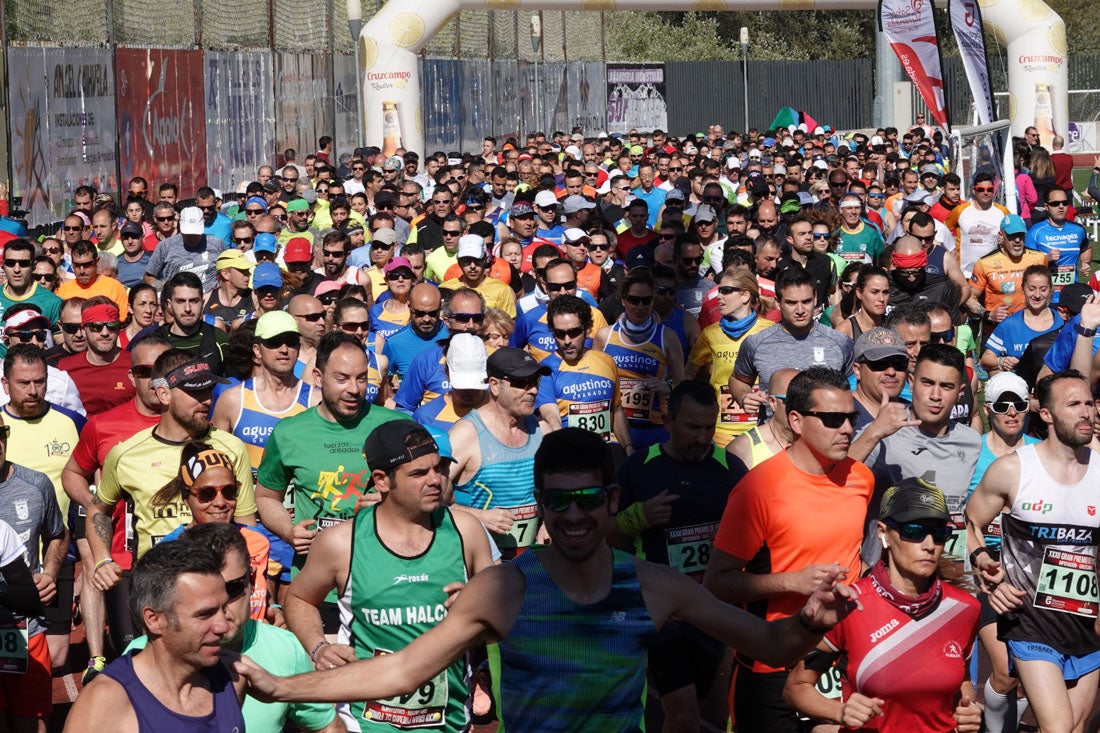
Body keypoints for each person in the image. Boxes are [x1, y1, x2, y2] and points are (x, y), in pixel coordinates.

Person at [232, 428, 862, 732]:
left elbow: (771, 647)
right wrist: (283, 687)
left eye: (588, 499)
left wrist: (810, 623)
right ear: (539, 503)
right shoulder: (504, 588)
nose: (574, 516)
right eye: (556, 502)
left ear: (613, 499)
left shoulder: (652, 585)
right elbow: (399, 672)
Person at [285, 420, 494, 730]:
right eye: (419, 473)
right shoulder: (342, 543)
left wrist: (477, 604)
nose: (435, 480)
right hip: (367, 722)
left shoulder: (466, 531)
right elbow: (299, 597)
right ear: (381, 480)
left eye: (438, 469)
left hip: (447, 721)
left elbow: (501, 611)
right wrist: (319, 647)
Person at [703, 367, 874, 733]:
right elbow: (717, 583)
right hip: (772, 664)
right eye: (832, 419)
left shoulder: (861, 478)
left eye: (851, 417)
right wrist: (791, 581)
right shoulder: (758, 489)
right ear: (796, 420)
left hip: (839, 658)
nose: (846, 428)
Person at [783, 478, 982, 733]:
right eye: (913, 531)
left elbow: (961, 678)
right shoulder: (849, 605)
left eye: (940, 533)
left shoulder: (964, 608)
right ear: (882, 532)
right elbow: (795, 688)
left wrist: (968, 710)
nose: (930, 545)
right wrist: (839, 711)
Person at [965, 370, 1100, 733]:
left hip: (1088, 623)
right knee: (1057, 726)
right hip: (1030, 623)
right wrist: (984, 567)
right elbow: (970, 522)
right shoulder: (1013, 469)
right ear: (1047, 414)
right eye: (1073, 405)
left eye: (1089, 403)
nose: (1085, 412)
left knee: (1075, 728)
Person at [613, 380, 749, 731]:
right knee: (684, 713)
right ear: (669, 422)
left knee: (716, 716)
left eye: (709, 427)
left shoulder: (731, 469)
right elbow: (604, 534)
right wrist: (639, 516)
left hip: (714, 610)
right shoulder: (639, 468)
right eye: (692, 427)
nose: (702, 438)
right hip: (664, 612)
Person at [125, 522, 342, 732]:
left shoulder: (285, 649)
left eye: (233, 588)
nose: (221, 607)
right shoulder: (141, 657)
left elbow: (326, 726)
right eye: (205, 596)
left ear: (252, 581)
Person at [254, 332, 403, 635]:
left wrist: (393, 502)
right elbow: (267, 497)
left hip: (383, 581)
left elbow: (435, 490)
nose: (354, 389)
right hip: (316, 587)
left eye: (362, 378)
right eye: (342, 378)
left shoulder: (394, 426)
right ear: (319, 377)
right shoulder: (289, 433)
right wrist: (288, 530)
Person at [85, 351, 257, 589]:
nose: (206, 400)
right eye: (195, 391)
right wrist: (102, 560)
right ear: (164, 394)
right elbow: (98, 509)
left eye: (208, 390)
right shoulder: (126, 454)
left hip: (218, 584)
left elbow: (247, 525)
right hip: (154, 586)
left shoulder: (232, 447)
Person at [61, 334, 172, 681]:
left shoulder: (192, 424)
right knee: (133, 652)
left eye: (163, 371)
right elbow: (72, 473)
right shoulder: (104, 425)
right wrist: (96, 505)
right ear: (131, 375)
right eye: (144, 371)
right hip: (125, 560)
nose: (154, 380)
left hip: (180, 558)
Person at [66, 541, 248, 732]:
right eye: (205, 614)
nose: (223, 626)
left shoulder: (232, 678)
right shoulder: (106, 703)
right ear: (154, 620)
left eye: (223, 608)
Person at [965, 371, 1037, 733]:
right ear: (987, 408)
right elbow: (962, 517)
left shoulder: (1042, 451)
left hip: (1032, 574)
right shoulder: (970, 449)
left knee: (1026, 677)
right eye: (1002, 405)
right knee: (1006, 672)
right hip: (986, 571)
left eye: (1019, 404)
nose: (1011, 412)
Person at [449, 347, 547, 558]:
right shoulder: (467, 434)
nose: (533, 391)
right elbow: (427, 499)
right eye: (522, 383)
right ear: (495, 385)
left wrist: (549, 522)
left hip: (533, 562)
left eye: (535, 382)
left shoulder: (540, 430)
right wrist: (478, 517)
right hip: (482, 566)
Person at [0, 411, 64, 732]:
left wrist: (50, 572)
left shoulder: (36, 485)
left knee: (32, 721)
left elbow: (58, 534)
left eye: (0, 435)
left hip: (24, 628)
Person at [730, 267, 854, 421]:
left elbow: (854, 388)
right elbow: (739, 380)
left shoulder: (840, 343)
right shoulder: (756, 343)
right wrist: (744, 397)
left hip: (824, 439)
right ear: (777, 302)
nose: (800, 310)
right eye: (791, 303)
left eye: (806, 301)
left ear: (815, 298)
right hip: (773, 440)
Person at [211, 311, 317, 478]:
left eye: (291, 342)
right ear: (257, 350)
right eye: (274, 342)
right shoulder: (232, 400)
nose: (284, 350)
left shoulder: (315, 401)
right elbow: (214, 462)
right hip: (246, 502)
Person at [686, 269, 773, 447]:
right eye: (718, 290)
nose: (719, 296)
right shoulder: (711, 333)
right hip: (720, 429)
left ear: (745, 296)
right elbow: (688, 376)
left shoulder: (771, 331)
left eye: (725, 291)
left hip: (760, 427)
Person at [536, 295, 632, 450]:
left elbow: (617, 409)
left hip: (607, 450)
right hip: (571, 453)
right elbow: (551, 418)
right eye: (559, 333)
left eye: (574, 332)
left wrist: (628, 448)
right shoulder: (545, 370)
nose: (567, 340)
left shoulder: (606, 361)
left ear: (587, 329)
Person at [966, 215, 1047, 332]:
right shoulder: (984, 263)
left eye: (1020, 235)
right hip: (996, 329)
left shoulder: (1039, 258)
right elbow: (969, 297)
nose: (1017, 240)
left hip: (1031, 327)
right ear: (1001, 236)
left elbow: (1048, 290)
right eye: (1012, 236)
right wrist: (988, 315)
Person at [57, 299, 135, 416]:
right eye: (96, 327)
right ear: (83, 329)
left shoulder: (135, 363)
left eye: (112, 326)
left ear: (119, 329)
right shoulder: (65, 368)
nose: (105, 333)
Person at [981, 264, 1062, 376]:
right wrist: (1002, 361)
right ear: (1023, 288)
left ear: (1050, 290)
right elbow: (985, 359)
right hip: (1018, 386)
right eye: (1031, 289)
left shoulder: (1062, 322)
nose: (1037, 295)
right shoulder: (1009, 325)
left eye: (1043, 289)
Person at [154, 272, 230, 373]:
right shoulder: (154, 342)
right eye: (180, 301)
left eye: (194, 301)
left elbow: (233, 383)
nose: (188, 308)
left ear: (203, 303)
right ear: (169, 305)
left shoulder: (220, 339)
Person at [1024, 188, 1090, 304]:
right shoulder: (1035, 232)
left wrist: (1085, 262)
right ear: (1046, 206)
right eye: (1055, 203)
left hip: (1071, 295)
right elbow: (1025, 264)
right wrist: (1046, 259)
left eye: (1064, 203)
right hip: (1045, 297)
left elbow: (1086, 248)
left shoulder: (1078, 230)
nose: (1061, 206)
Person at [726, 368, 797, 470]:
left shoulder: (818, 444)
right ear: (773, 403)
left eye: (805, 400)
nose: (801, 407)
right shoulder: (742, 450)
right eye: (791, 401)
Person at [144, 206, 226, 291]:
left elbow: (228, 271)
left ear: (203, 224)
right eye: (188, 233)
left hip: (210, 299)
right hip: (177, 299)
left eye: (196, 233)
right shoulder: (165, 246)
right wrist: (166, 289)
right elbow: (149, 277)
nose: (192, 237)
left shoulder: (217, 244)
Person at [945, 173, 1009, 279]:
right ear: (974, 190)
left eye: (989, 189)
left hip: (995, 273)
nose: (985, 192)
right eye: (981, 189)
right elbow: (944, 230)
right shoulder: (960, 211)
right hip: (966, 273)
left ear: (994, 191)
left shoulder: (1003, 212)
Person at [849, 327, 909, 430]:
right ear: (857, 370)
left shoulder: (916, 413)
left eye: (899, 363)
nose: (891, 372)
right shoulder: (839, 415)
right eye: (880, 364)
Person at [56, 240, 130, 317]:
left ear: (97, 262)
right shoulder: (63, 290)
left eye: (87, 265)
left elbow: (122, 321)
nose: (82, 271)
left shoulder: (115, 287)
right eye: (77, 265)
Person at [0, 239, 62, 326]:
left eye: (24, 263)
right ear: (3, 265)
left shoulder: (53, 302)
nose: (17, 270)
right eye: (10, 263)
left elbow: (61, 339)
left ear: (33, 266)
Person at [834, 266, 890, 340]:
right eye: (874, 292)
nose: (881, 298)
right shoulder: (844, 331)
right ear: (859, 293)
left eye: (885, 292)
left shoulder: (894, 326)